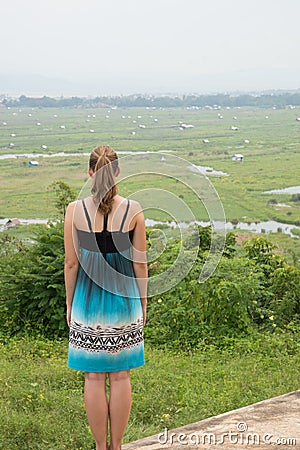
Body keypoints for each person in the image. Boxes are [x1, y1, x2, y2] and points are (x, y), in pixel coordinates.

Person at [64, 145, 147, 450]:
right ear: (117, 173)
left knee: (94, 378)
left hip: (87, 302)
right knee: (121, 376)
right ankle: (118, 445)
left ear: (89, 173)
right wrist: (143, 304)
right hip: (124, 302)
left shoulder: (74, 211)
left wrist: (70, 304)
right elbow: (139, 263)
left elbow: (71, 263)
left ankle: (100, 447)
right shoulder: (134, 210)